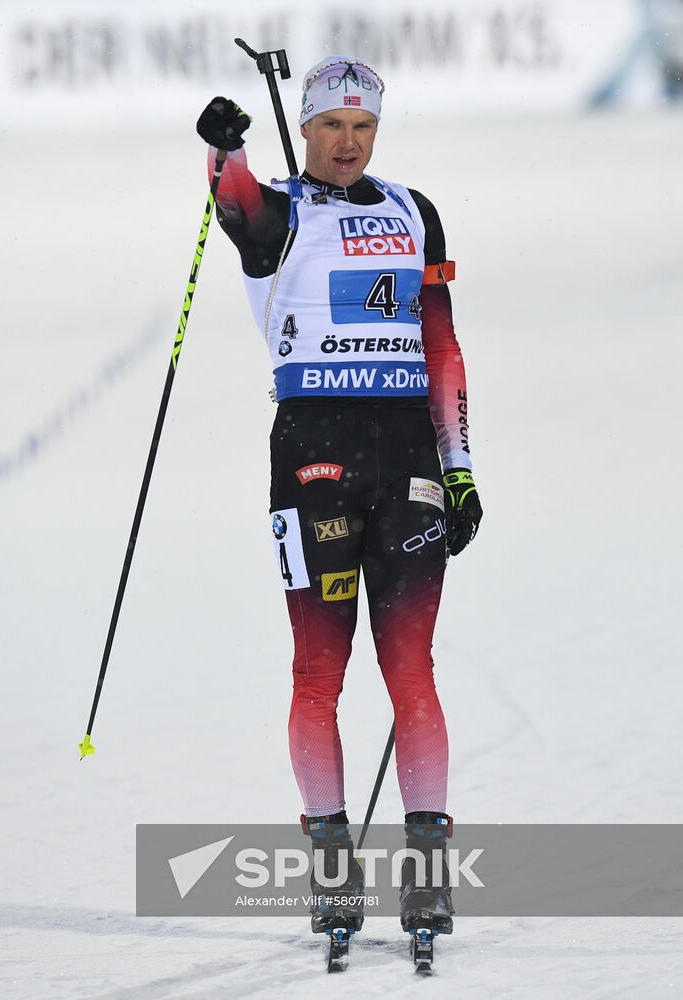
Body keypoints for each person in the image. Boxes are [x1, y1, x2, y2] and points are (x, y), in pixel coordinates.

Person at [196, 55, 483, 938]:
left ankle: (427, 874)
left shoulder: (413, 210)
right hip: (312, 457)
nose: (348, 141)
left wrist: (461, 462)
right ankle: (331, 869)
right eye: (332, 125)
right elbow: (236, 202)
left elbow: (440, 344)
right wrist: (222, 148)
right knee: (319, 671)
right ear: (310, 128)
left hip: (406, 459)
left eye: (363, 126)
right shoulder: (277, 211)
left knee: (413, 672)